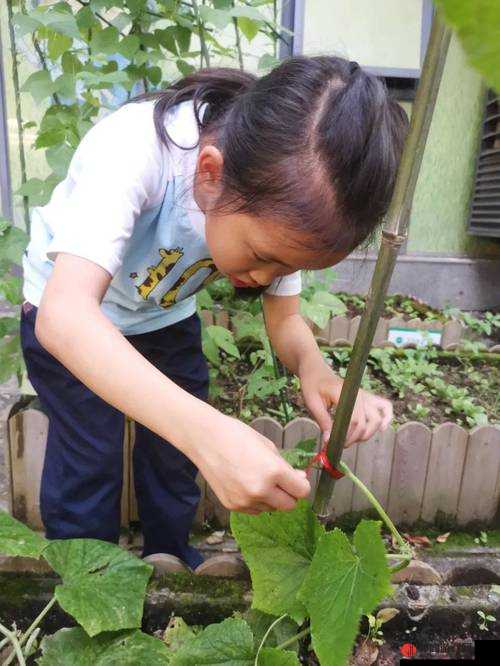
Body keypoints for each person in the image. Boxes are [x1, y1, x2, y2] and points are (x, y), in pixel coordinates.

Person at [20, 56, 408, 570]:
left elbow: (286, 320)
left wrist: (316, 371)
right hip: (69, 310)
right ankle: (87, 586)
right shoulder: (137, 150)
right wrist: (209, 434)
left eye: (289, 266)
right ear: (210, 173)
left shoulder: (283, 202)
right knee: (90, 457)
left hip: (162, 317)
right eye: (264, 256)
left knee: (173, 455)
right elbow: (65, 317)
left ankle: (168, 557)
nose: (268, 276)